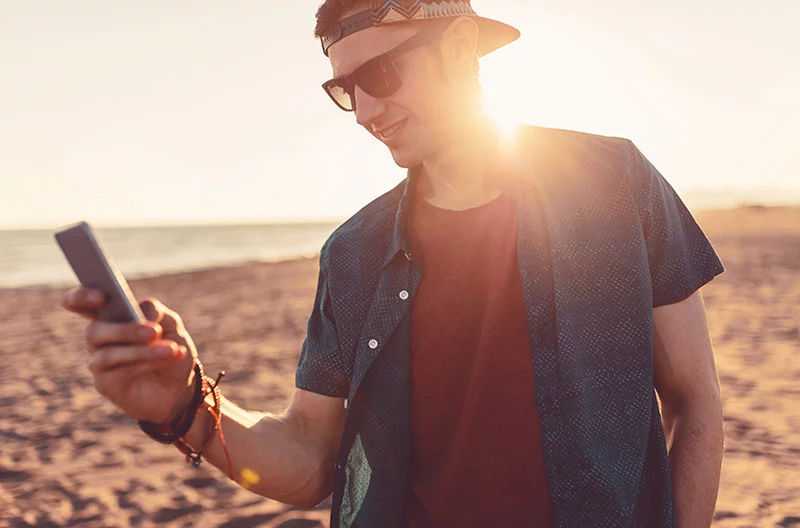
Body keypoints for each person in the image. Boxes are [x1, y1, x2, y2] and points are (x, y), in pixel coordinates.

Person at [63, 1, 726, 526]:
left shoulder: (615, 183)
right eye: (346, 90)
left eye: (380, 76)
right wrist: (186, 410)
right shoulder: (353, 254)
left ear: (461, 45)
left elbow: (696, 402)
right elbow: (310, 459)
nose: (365, 113)